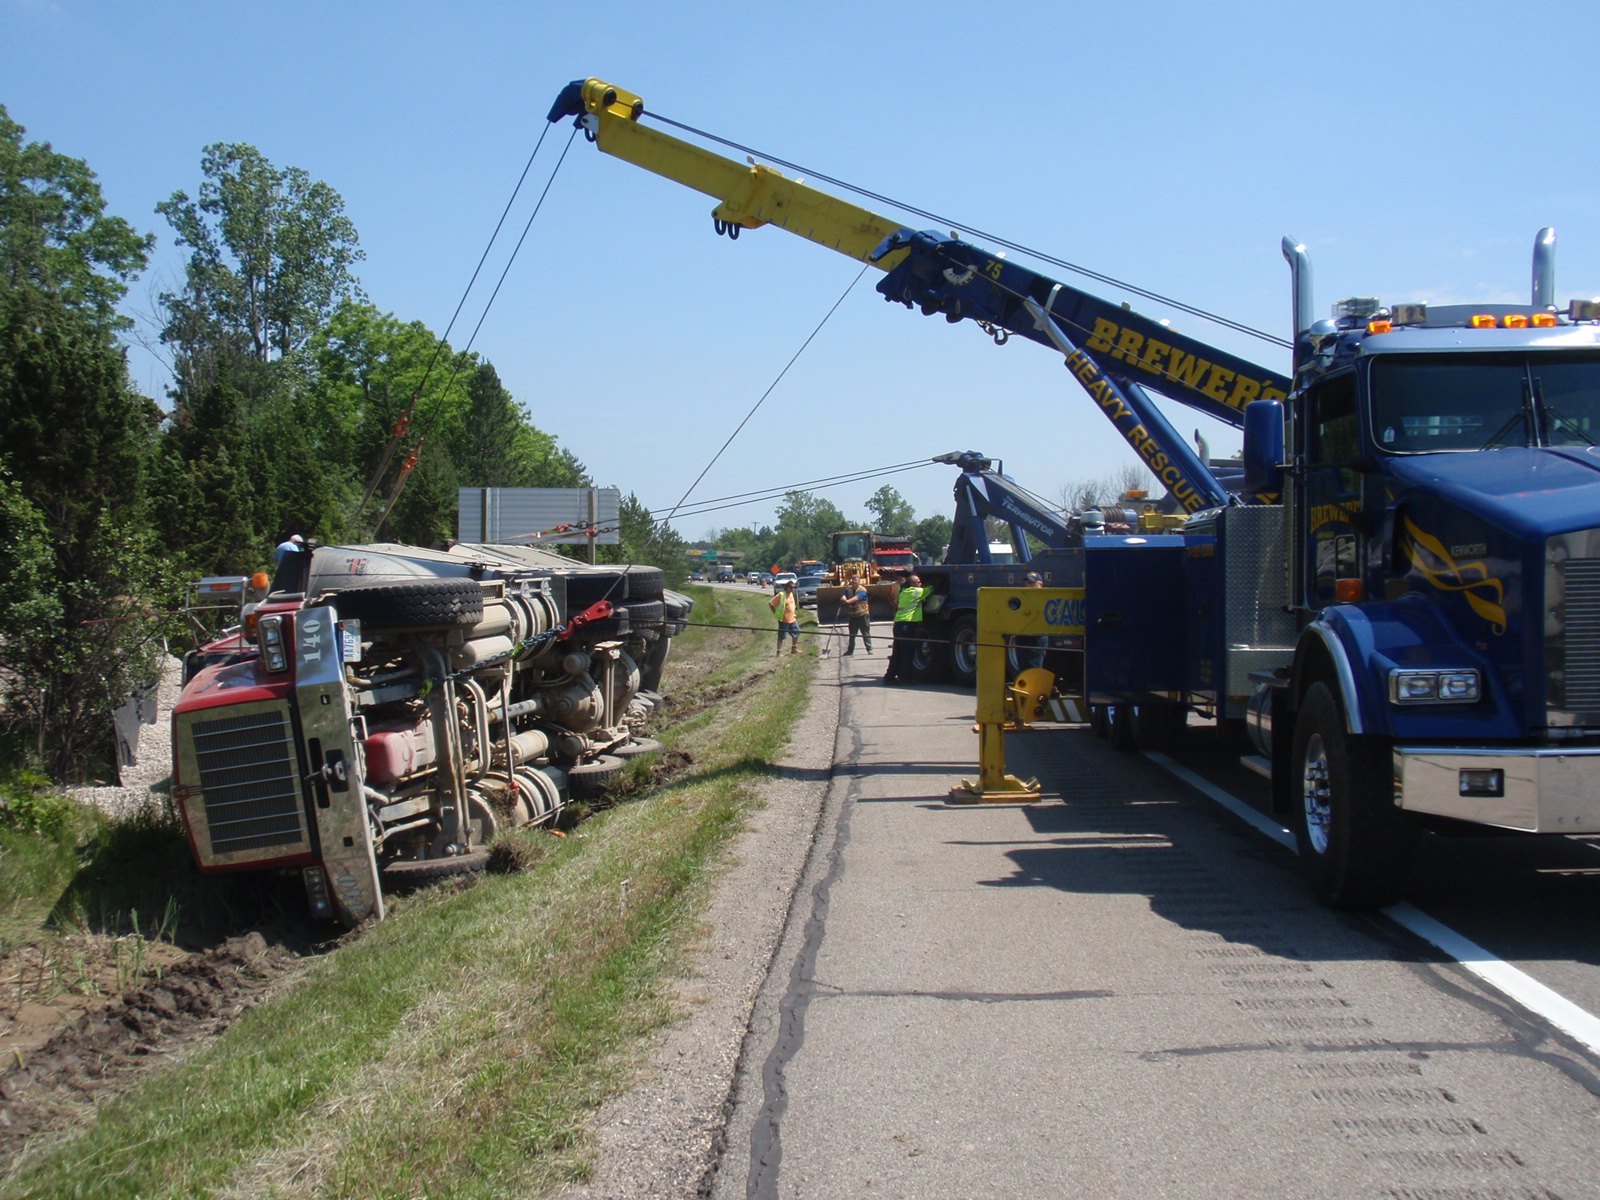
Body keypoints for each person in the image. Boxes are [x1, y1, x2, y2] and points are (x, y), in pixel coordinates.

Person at [883, 574, 927, 683]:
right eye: (918, 582)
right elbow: (931, 589)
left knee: (897, 653)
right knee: (907, 653)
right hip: (906, 626)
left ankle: (889, 677)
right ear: (912, 584)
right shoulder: (916, 592)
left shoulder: (904, 591)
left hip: (898, 624)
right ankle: (905, 678)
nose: (920, 584)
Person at [769, 579, 802, 657]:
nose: (792, 589)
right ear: (787, 587)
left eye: (794, 587)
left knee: (797, 633)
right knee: (782, 636)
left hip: (792, 619)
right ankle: (778, 652)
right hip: (784, 619)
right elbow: (771, 603)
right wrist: (775, 613)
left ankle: (794, 649)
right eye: (791, 587)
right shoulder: (781, 595)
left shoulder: (792, 594)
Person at [843, 582, 872, 656]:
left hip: (863, 615)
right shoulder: (848, 590)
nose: (854, 583)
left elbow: (856, 598)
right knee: (852, 635)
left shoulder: (862, 590)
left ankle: (869, 649)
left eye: (856, 581)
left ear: (859, 582)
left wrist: (847, 601)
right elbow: (844, 595)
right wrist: (843, 598)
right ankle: (850, 650)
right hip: (853, 616)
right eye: (853, 581)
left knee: (865, 633)